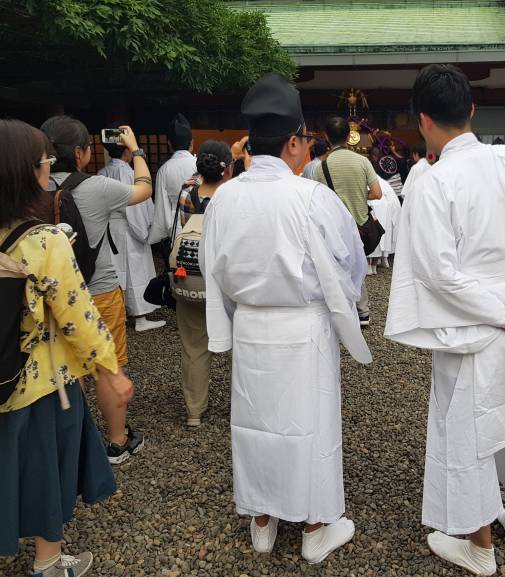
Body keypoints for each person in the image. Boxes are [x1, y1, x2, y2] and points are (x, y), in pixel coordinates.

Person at [384, 64, 505, 577]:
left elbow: (439, 275)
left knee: (467, 434)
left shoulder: (433, 181)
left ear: (423, 121)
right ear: (472, 111)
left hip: (474, 323)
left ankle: (480, 547)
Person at [201, 73, 371, 564]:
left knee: (255, 421)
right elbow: (351, 262)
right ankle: (315, 527)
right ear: (295, 141)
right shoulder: (311, 198)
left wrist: (234, 314)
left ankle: (262, 521)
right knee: (311, 424)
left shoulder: (224, 198)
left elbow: (216, 268)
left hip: (252, 325)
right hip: (304, 326)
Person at [0, 119, 133, 577]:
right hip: (38, 380)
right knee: (43, 469)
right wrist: (109, 369)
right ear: (23, 172)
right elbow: (79, 318)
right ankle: (48, 561)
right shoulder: (44, 241)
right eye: (43, 162)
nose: (48, 168)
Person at [40, 115, 149, 464]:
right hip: (97, 290)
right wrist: (136, 150)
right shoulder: (97, 187)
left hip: (49, 295)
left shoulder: (29, 189)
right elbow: (143, 188)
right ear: (80, 153)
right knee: (108, 365)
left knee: (66, 366)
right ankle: (117, 441)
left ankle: (73, 440)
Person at [175, 140, 233, 427]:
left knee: (194, 347)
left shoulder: (187, 191)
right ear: (227, 168)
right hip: (226, 280)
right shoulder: (233, 194)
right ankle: (243, 405)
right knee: (240, 343)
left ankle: (194, 412)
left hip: (192, 277)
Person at [312, 116, 382, 326]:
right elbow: (377, 193)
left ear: (326, 137)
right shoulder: (362, 161)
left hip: (333, 227)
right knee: (357, 267)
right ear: (348, 137)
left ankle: (340, 311)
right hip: (360, 225)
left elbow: (315, 200)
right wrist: (360, 196)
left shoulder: (320, 168)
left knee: (335, 269)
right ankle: (363, 312)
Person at [98, 142, 165, 332]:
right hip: (128, 227)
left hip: (109, 227)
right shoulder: (129, 173)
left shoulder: (102, 173)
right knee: (135, 270)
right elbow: (138, 205)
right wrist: (148, 230)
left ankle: (117, 312)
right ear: (128, 151)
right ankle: (140, 317)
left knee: (115, 269)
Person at [151, 114, 197, 243]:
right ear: (192, 142)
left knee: (179, 261)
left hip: (176, 225)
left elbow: (161, 207)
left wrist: (166, 232)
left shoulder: (164, 170)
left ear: (169, 143)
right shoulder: (199, 164)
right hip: (200, 224)